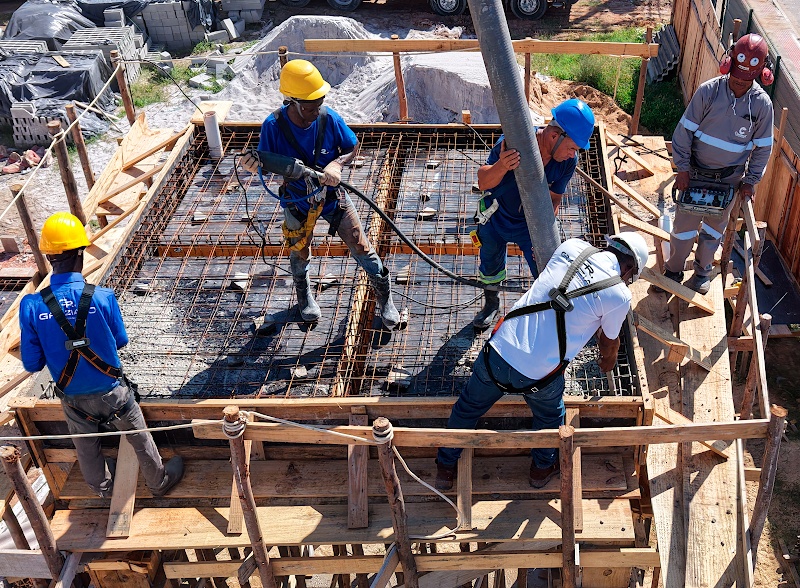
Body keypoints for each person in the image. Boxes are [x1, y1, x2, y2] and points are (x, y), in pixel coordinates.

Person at [436, 232, 648, 490]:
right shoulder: (618, 295)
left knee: (467, 408)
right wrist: (609, 360)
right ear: (629, 268)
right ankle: (541, 469)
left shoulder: (572, 247)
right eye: (629, 277)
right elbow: (608, 341)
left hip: (498, 354)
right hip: (539, 376)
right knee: (550, 417)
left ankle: (445, 467)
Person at [19, 212, 184, 498]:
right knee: (138, 435)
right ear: (80, 253)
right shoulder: (103, 297)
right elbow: (120, 341)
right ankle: (158, 481)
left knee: (85, 444)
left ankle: (103, 489)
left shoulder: (32, 305)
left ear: (49, 257)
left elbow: (33, 363)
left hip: (73, 397)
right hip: (112, 391)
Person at [240, 59, 400, 328]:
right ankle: (304, 298)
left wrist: (337, 163)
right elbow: (266, 163)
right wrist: (253, 164)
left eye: (320, 102)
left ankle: (386, 301)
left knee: (361, 245)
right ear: (293, 102)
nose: (317, 109)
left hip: (332, 198)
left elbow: (352, 146)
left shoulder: (328, 118)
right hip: (297, 200)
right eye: (311, 106)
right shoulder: (273, 126)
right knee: (299, 251)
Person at [664, 33, 774, 295]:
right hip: (695, 174)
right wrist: (682, 168)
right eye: (736, 76)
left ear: (760, 74)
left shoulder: (761, 105)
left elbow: (763, 149)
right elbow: (683, 132)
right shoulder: (709, 92)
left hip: (728, 181)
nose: (739, 82)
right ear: (729, 65)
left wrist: (750, 181)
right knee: (683, 229)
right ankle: (673, 271)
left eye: (746, 79)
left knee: (713, 231)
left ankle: (702, 273)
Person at [472, 98, 596, 329]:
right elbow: (482, 182)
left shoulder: (567, 162)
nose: (573, 155)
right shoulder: (516, 142)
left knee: (546, 268)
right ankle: (491, 304)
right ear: (554, 136)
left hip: (529, 224)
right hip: (496, 216)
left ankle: (544, 315)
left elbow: (555, 198)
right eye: (571, 148)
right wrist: (502, 165)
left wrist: (545, 234)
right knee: (490, 263)